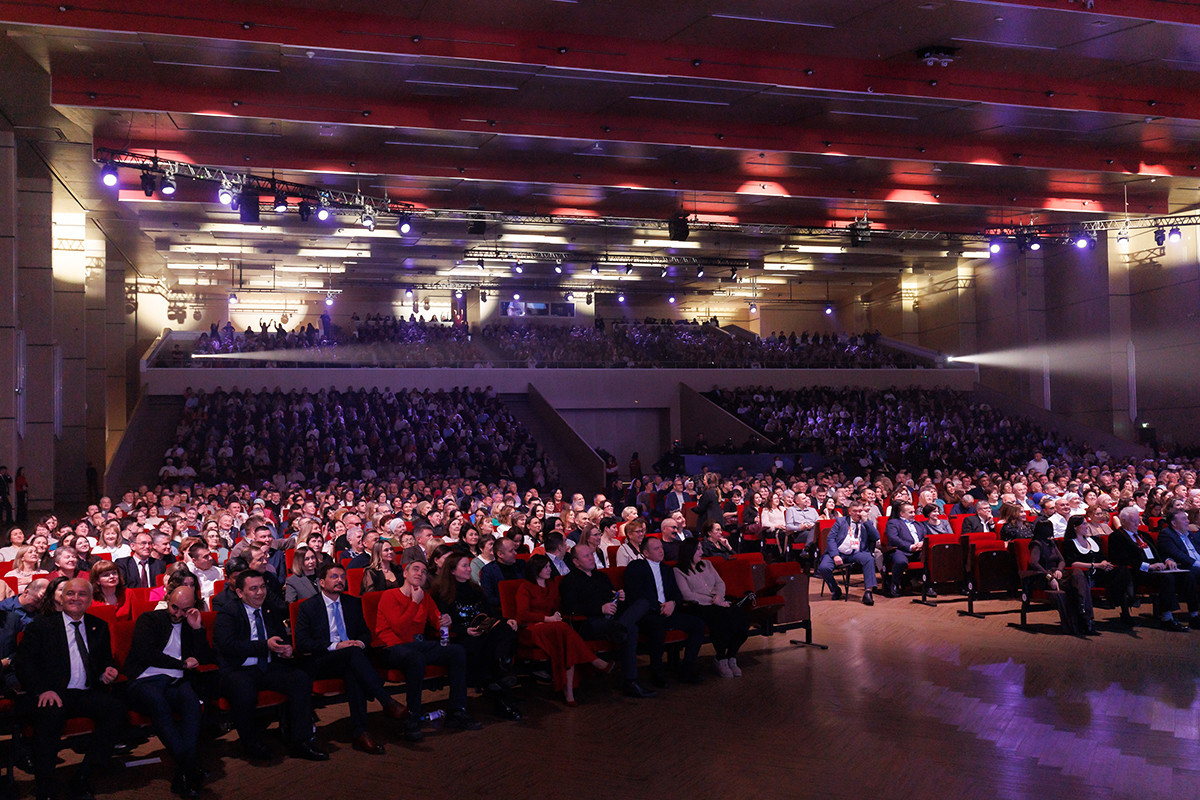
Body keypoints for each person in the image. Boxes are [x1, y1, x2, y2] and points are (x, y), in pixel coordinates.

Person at [15, 578, 124, 800]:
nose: (75, 598)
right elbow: (24, 664)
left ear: (90, 599)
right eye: (70, 594)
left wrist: (107, 671)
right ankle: (44, 785)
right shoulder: (41, 626)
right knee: (49, 719)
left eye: (81, 594)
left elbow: (104, 661)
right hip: (53, 693)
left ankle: (83, 776)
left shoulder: (98, 626)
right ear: (62, 598)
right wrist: (42, 689)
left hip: (86, 692)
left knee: (117, 711)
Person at [213, 570, 328, 762]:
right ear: (240, 593)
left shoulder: (269, 608)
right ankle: (251, 743)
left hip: (267, 665)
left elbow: (280, 636)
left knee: (299, 679)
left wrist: (285, 648)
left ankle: (301, 741)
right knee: (244, 689)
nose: (260, 592)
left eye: (263, 587)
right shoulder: (228, 612)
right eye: (254, 589)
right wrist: (264, 645)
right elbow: (228, 646)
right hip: (238, 669)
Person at [294, 563, 408, 755]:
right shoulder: (308, 606)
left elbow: (365, 633)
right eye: (334, 577)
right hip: (323, 660)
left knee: (353, 670)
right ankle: (385, 700)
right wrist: (335, 646)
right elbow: (302, 642)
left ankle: (361, 732)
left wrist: (359, 643)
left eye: (342, 577)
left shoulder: (352, 602)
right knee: (352, 656)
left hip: (351, 659)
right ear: (322, 582)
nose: (340, 580)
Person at [374, 560, 482, 742]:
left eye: (424, 572)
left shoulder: (425, 597)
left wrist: (445, 622)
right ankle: (412, 717)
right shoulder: (390, 595)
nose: (420, 574)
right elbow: (399, 628)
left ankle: (457, 711)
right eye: (415, 569)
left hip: (416, 646)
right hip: (391, 647)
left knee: (457, 651)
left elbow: (437, 623)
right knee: (415, 658)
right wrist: (414, 603)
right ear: (405, 574)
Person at [123, 586, 214, 798]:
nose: (178, 614)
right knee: (158, 703)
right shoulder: (149, 619)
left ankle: (185, 771)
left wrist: (197, 628)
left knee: (192, 704)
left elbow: (206, 657)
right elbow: (146, 654)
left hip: (175, 681)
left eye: (185, 609)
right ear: (167, 600)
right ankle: (189, 767)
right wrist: (181, 664)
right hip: (145, 679)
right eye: (174, 607)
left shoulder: (190, 624)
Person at [429, 552, 521, 720]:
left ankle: (500, 671)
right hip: (461, 635)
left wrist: (506, 620)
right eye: (464, 566)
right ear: (452, 570)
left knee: (506, 628)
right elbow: (442, 622)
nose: (468, 569)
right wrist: (466, 631)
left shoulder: (475, 589)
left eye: (468, 565)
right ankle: (502, 680)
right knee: (486, 646)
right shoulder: (440, 592)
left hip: (482, 630)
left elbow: (489, 613)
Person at [559, 543, 656, 699]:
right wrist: (600, 608)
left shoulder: (601, 576)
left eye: (591, 555)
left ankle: (620, 627)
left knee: (643, 603)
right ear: (576, 562)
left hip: (613, 619)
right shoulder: (570, 581)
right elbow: (571, 608)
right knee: (631, 629)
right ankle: (630, 682)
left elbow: (612, 599)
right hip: (589, 622)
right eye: (586, 556)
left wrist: (619, 597)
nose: (591, 558)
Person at [514, 554, 611, 706]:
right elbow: (523, 614)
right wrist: (547, 620)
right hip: (532, 628)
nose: (549, 569)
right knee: (563, 630)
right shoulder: (525, 587)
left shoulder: (551, 584)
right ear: (536, 570)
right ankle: (593, 662)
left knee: (564, 642)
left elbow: (559, 606)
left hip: (553, 627)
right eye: (546, 567)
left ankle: (570, 690)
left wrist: (556, 615)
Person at [623, 536, 706, 687]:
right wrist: (659, 606)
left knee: (698, 625)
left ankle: (687, 667)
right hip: (648, 613)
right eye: (656, 549)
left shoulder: (666, 569)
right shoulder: (636, 567)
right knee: (657, 627)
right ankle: (657, 672)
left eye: (661, 547)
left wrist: (672, 603)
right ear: (646, 553)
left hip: (668, 610)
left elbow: (676, 593)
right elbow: (637, 594)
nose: (661, 551)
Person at [1109, 506, 1195, 631]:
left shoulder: (1143, 535)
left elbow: (1159, 552)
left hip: (1157, 569)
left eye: (1137, 520)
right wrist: (1148, 566)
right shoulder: (1117, 536)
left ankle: (1194, 614)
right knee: (1167, 578)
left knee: (1188, 575)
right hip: (1138, 571)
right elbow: (1121, 559)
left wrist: (1167, 560)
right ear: (1123, 521)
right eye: (1133, 521)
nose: (1137, 523)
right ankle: (1167, 618)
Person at [673, 538, 749, 678]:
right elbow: (687, 595)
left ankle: (731, 655)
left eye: (701, 548)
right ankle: (720, 658)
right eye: (698, 549)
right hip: (698, 606)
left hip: (718, 602)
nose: (702, 552)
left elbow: (720, 583)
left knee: (741, 617)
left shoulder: (707, 564)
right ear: (689, 552)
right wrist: (713, 601)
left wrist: (719, 597)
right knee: (721, 619)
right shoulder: (679, 570)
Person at [1061, 515, 1132, 631]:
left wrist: (1104, 564)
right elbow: (1072, 564)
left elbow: (1102, 557)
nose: (1086, 526)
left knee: (1123, 570)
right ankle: (1116, 600)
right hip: (1085, 575)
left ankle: (1123, 602)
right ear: (1075, 527)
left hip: (1100, 573)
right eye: (1083, 524)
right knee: (1116, 581)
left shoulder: (1093, 540)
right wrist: (1096, 565)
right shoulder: (1069, 543)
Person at [1024, 513, 1089, 635]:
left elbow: (1062, 560)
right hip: (1043, 576)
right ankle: (1079, 615)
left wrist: (1059, 570)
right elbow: (1035, 564)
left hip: (1057, 573)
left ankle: (1083, 609)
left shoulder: (1051, 543)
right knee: (1068, 590)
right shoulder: (1036, 544)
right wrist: (1049, 577)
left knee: (1077, 573)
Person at [817, 502, 881, 605]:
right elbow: (830, 539)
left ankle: (868, 592)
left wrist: (865, 521)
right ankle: (835, 589)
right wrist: (835, 555)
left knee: (869, 559)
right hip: (839, 552)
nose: (857, 513)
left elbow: (876, 537)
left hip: (857, 552)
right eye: (855, 511)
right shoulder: (841, 521)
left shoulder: (866, 523)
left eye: (860, 511)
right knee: (824, 567)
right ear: (850, 512)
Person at [883, 502, 935, 598]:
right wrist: (910, 546)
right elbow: (894, 539)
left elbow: (926, 536)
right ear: (902, 514)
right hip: (900, 550)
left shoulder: (918, 524)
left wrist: (923, 543)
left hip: (919, 550)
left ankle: (928, 586)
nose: (914, 514)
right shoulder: (893, 523)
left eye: (914, 512)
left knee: (931, 558)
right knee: (900, 561)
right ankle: (894, 584)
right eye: (910, 512)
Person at [479, 537, 524, 614]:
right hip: (501, 611)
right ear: (500, 554)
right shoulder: (488, 571)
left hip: (525, 607)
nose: (515, 553)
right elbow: (489, 598)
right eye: (511, 551)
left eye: (514, 550)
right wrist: (510, 600)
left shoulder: (522, 565)